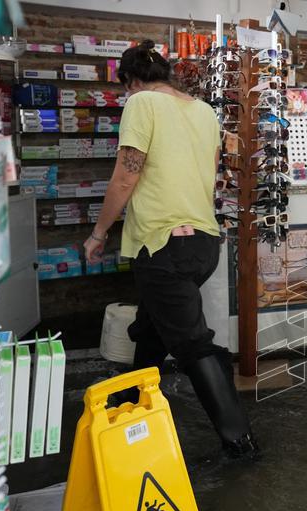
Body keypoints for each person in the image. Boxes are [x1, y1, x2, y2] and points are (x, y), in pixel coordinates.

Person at [84, 40, 259, 459]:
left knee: (193, 343)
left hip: (163, 243)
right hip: (202, 243)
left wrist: (99, 232)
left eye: (125, 86)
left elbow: (126, 176)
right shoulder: (204, 111)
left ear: (132, 80)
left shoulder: (141, 103)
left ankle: (240, 442)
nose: (128, 93)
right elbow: (210, 171)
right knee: (152, 329)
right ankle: (128, 406)